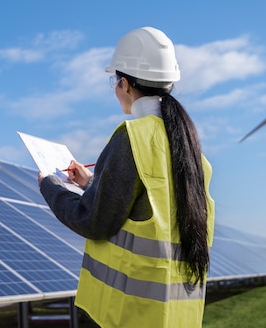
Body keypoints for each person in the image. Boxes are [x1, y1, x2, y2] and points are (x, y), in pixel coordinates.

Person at [37, 26, 215, 328]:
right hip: (178, 317)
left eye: (114, 82)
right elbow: (152, 209)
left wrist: (50, 187)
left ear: (125, 84)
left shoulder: (131, 138)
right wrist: (91, 184)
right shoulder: (192, 153)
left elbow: (92, 219)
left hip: (129, 314)